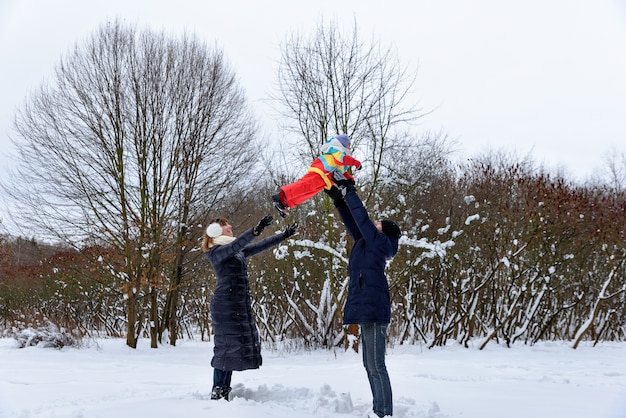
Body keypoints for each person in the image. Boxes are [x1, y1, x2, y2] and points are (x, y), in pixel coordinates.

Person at [325, 171, 401, 418]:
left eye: (378, 225)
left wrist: (350, 190)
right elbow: (354, 222)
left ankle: (384, 413)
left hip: (375, 309)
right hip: (366, 306)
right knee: (368, 364)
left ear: (384, 233)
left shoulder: (380, 244)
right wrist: (338, 199)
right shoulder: (366, 242)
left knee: (377, 365)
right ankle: (379, 409)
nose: (373, 225)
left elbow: (363, 219)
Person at [201, 214, 298, 401]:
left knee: (233, 347)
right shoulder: (215, 251)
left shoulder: (234, 250)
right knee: (225, 347)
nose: (229, 226)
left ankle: (224, 389)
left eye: (228, 223)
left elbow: (257, 247)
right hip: (225, 306)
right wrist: (256, 229)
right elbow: (237, 245)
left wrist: (283, 236)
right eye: (225, 225)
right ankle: (218, 389)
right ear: (215, 231)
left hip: (237, 304)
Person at [272, 134, 361, 218]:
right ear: (342, 144)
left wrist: (350, 179)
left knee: (306, 193)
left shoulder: (340, 160)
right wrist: (355, 163)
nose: (350, 147)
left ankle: (285, 203)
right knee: (303, 187)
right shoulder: (337, 152)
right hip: (320, 172)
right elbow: (342, 159)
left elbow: (340, 172)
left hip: (324, 179)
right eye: (348, 145)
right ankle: (280, 197)